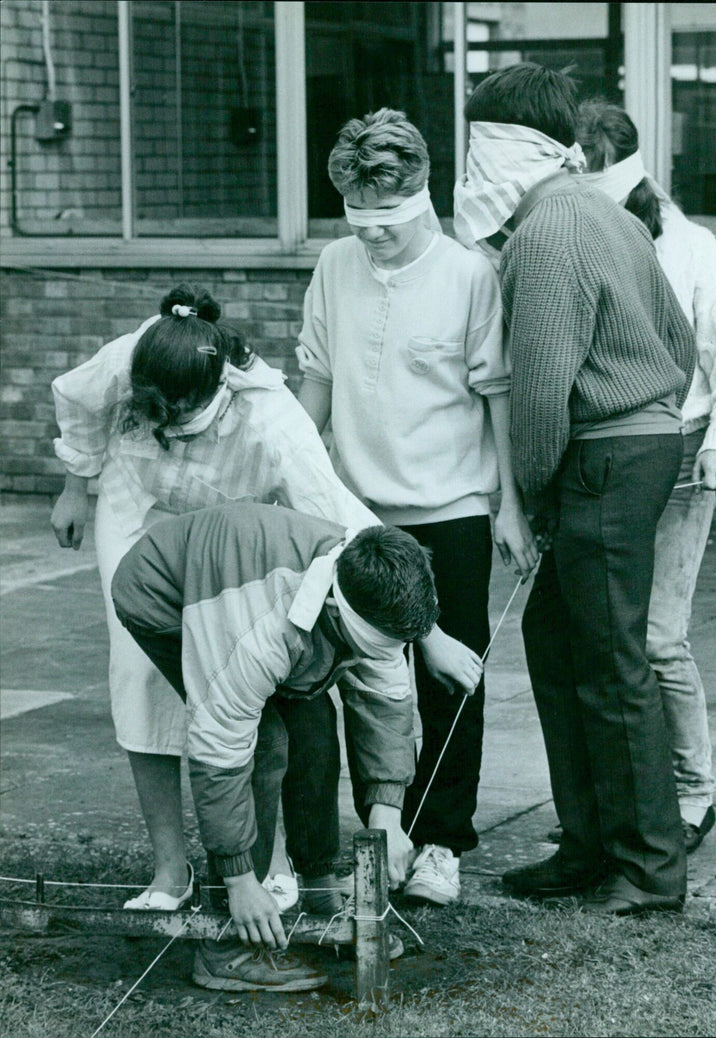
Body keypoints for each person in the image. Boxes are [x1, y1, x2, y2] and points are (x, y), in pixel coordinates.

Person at [50, 284, 481, 913]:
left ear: (222, 393)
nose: (170, 432)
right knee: (140, 679)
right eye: (158, 419)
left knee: (265, 704)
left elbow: (342, 522)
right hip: (137, 514)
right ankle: (173, 868)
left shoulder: (277, 423)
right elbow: (78, 405)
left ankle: (271, 860)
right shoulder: (132, 358)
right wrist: (74, 486)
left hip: (235, 536)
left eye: (184, 422)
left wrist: (428, 632)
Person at [454, 63, 697, 915]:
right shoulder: (602, 211)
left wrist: (530, 494)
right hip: (638, 445)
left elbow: (541, 391)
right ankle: (589, 844)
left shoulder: (548, 233)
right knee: (561, 652)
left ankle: (649, 868)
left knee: (610, 664)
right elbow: (679, 337)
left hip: (599, 458)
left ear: (502, 150)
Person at [296, 108, 537, 907]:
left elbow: (497, 394)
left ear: (424, 199)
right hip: (358, 509)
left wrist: (505, 506)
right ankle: (371, 829)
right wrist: (295, 466)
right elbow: (319, 382)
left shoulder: (470, 275)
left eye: (387, 224)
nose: (372, 238)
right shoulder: (334, 265)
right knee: (358, 677)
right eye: (359, 223)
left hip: (452, 510)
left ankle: (440, 841)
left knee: (449, 680)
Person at [111, 503, 434, 990]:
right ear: (332, 612)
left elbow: (386, 703)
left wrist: (387, 810)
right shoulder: (257, 632)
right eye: (369, 647)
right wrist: (239, 876)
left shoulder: (374, 591)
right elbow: (219, 749)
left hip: (250, 578)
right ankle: (226, 942)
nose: (379, 659)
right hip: (165, 592)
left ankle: (321, 885)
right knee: (265, 742)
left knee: (315, 723)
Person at [575, 99, 716, 852]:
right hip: (596, 457)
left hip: (681, 451)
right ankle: (619, 797)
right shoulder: (565, 239)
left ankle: (692, 795)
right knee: (599, 639)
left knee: (656, 637)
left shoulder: (690, 246)